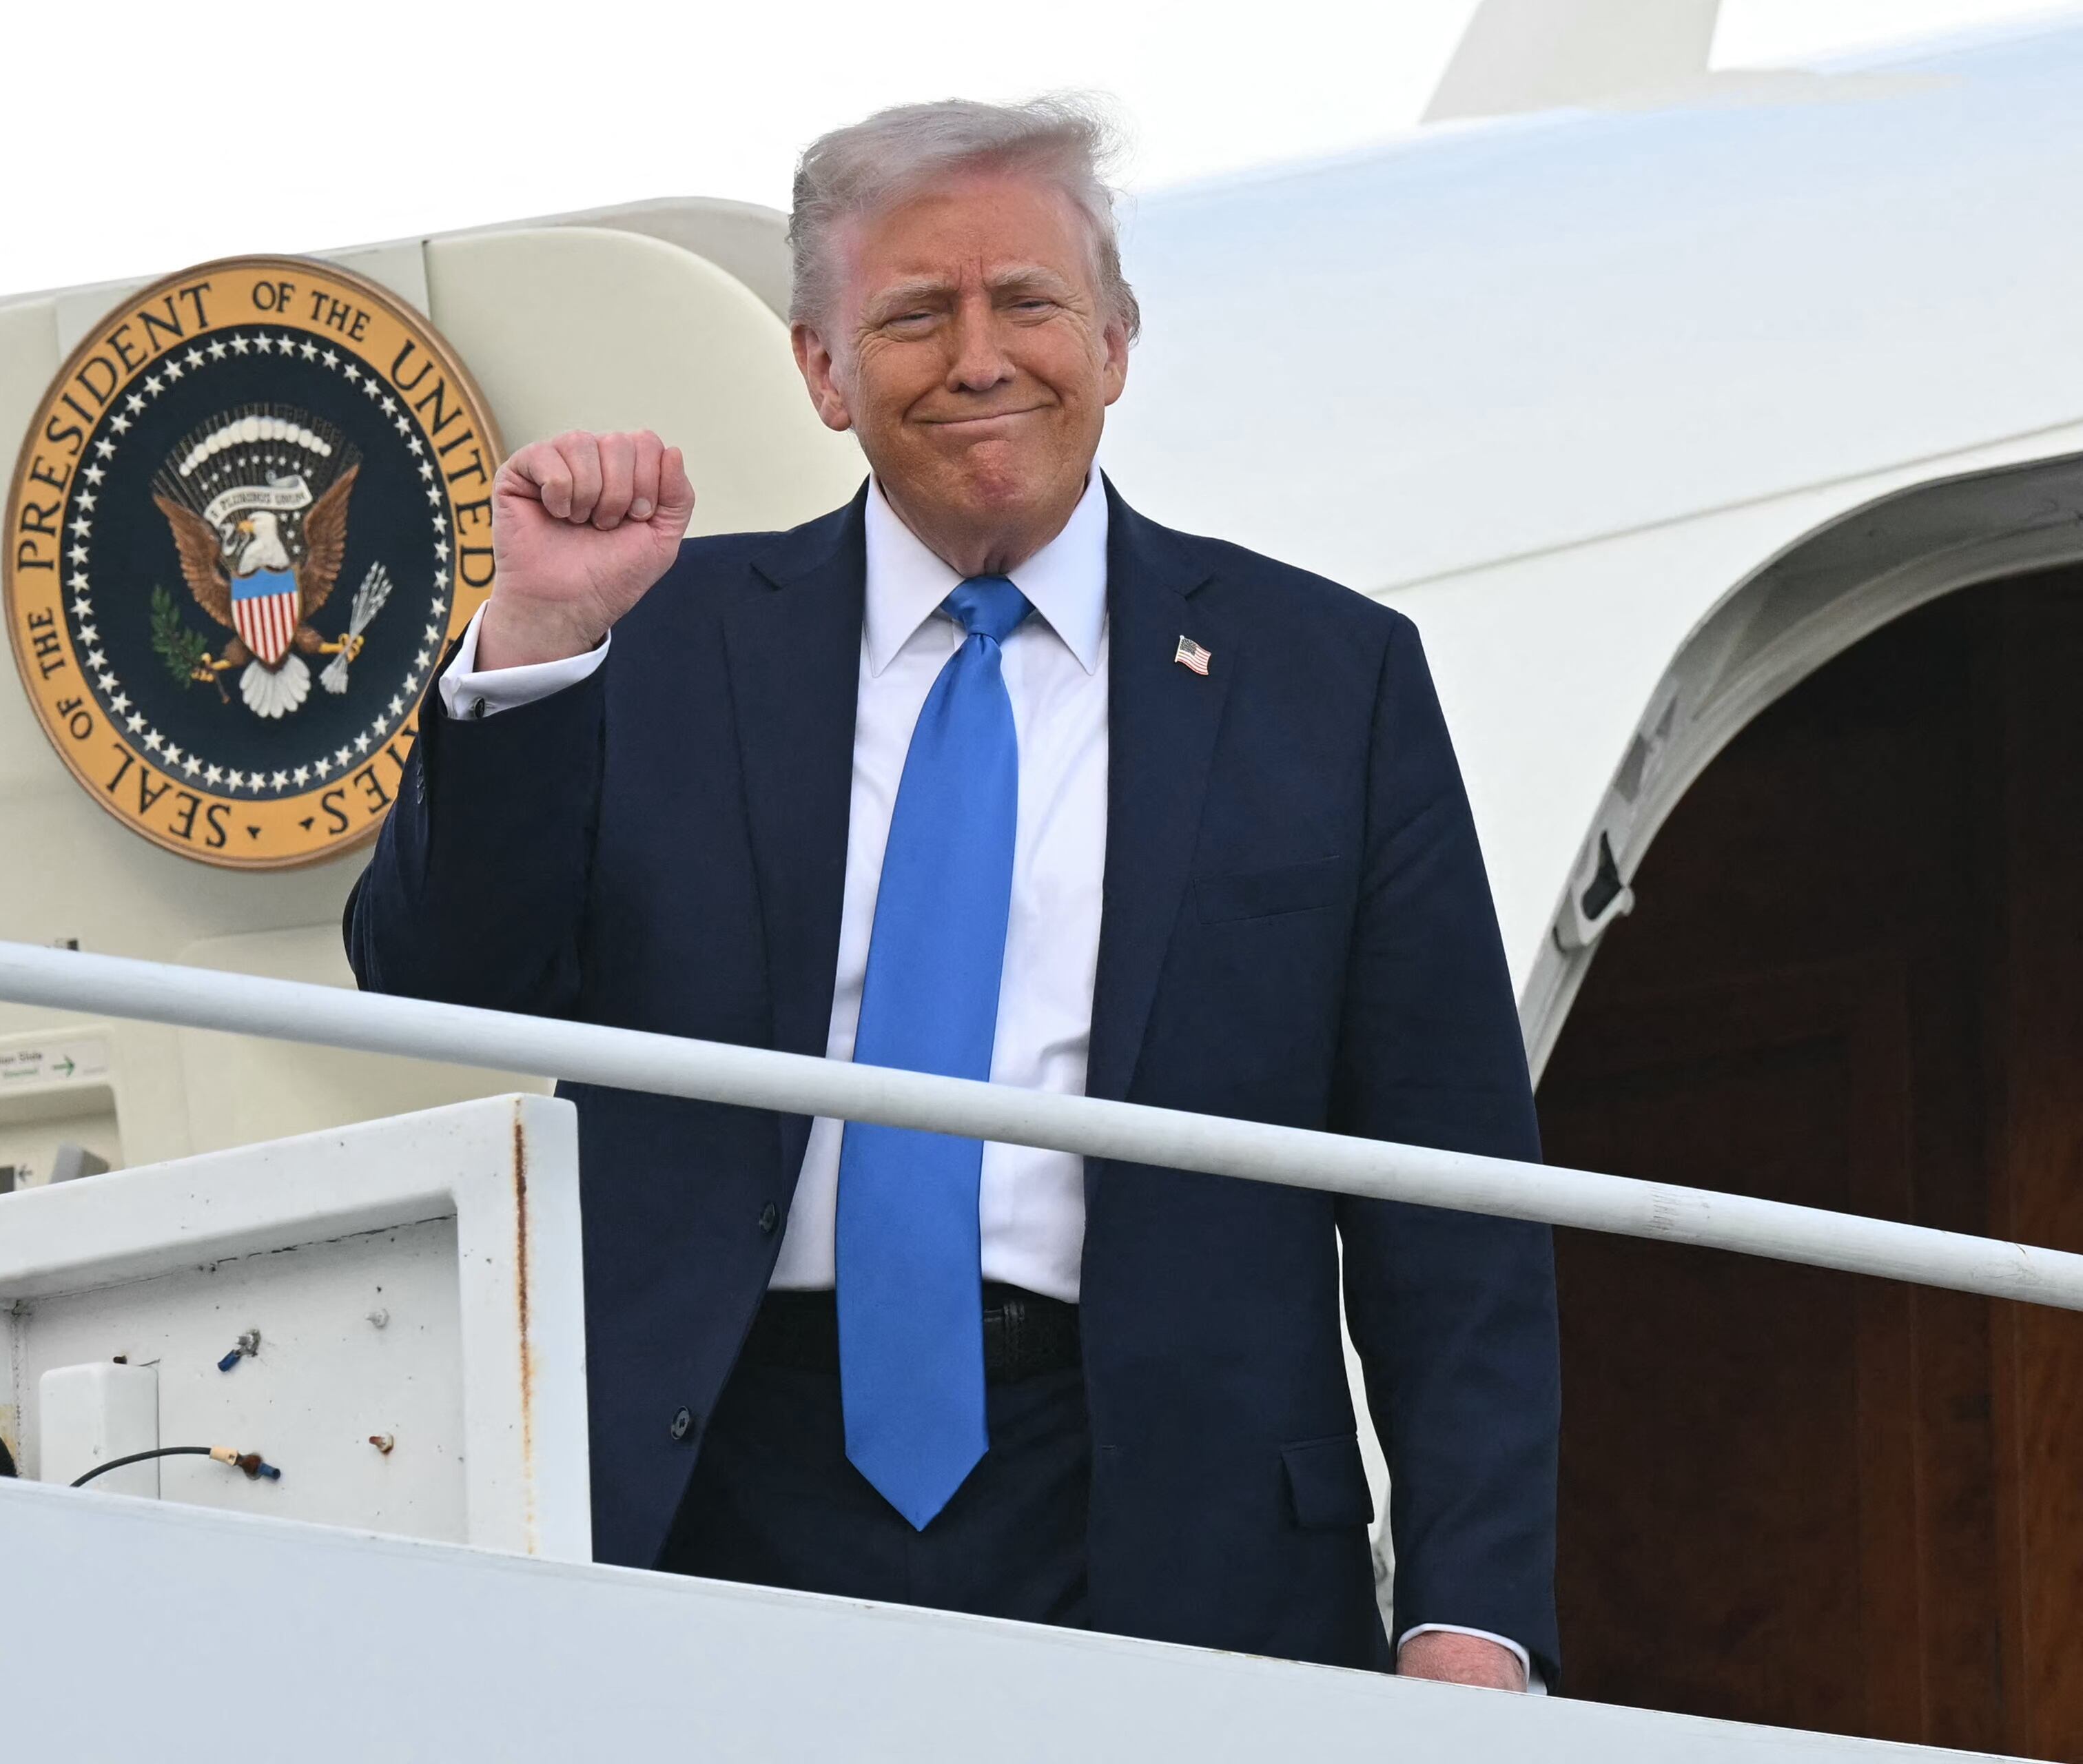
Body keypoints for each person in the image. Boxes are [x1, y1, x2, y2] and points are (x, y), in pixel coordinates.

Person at [346, 95, 1557, 1690]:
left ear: (1116, 342)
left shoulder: (1328, 683)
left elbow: (1446, 1184)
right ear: (822, 370)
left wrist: (1471, 1608)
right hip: (715, 1490)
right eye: (915, 314)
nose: (979, 357)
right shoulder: (651, 638)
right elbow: (447, 980)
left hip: (1171, 1514)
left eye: (1030, 303)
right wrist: (536, 648)